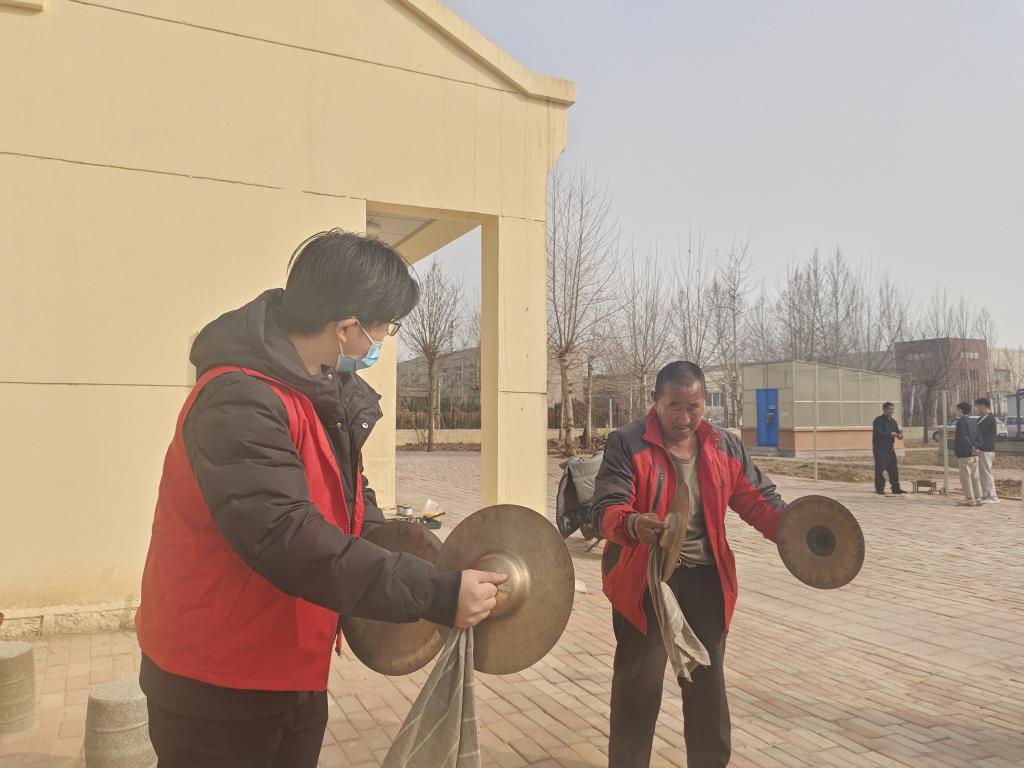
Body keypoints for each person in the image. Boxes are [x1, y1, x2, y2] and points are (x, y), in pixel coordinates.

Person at [135, 230, 506, 768]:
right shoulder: (239, 398)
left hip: (292, 662)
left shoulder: (319, 392)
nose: (384, 339)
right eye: (385, 326)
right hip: (217, 679)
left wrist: (422, 555)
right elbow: (287, 537)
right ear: (346, 328)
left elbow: (351, 502)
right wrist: (435, 594)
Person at [593, 361, 787, 768]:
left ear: (704, 403)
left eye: (694, 407)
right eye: (675, 407)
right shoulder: (627, 443)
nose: (684, 418)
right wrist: (633, 523)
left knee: (707, 682)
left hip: (705, 578)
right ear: (655, 401)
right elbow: (607, 507)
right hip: (646, 579)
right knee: (638, 683)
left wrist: (797, 531)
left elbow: (759, 500)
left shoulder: (722, 445)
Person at [872, 402, 906, 495]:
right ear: (884, 410)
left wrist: (900, 435)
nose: (891, 411)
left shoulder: (893, 422)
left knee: (893, 468)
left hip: (890, 448)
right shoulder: (878, 420)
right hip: (880, 448)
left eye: (892, 409)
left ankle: (896, 488)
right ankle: (879, 488)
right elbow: (878, 432)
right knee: (880, 468)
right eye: (889, 409)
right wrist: (890, 434)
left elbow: (897, 433)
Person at [953, 401, 984, 507]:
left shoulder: (960, 422)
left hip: (965, 453)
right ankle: (978, 498)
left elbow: (963, 437)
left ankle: (969, 499)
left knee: (965, 477)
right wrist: (977, 447)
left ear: (961, 410)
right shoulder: (973, 422)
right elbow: (979, 436)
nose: (956, 411)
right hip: (974, 454)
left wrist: (971, 448)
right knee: (975, 477)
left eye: (957, 409)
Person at [974, 397, 1000, 503]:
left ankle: (992, 496)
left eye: (978, 407)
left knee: (986, 473)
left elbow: (984, 436)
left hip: (986, 449)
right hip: (981, 449)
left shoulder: (990, 419)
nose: (977, 409)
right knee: (982, 474)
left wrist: (978, 446)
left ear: (984, 406)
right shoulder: (981, 418)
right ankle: (985, 495)